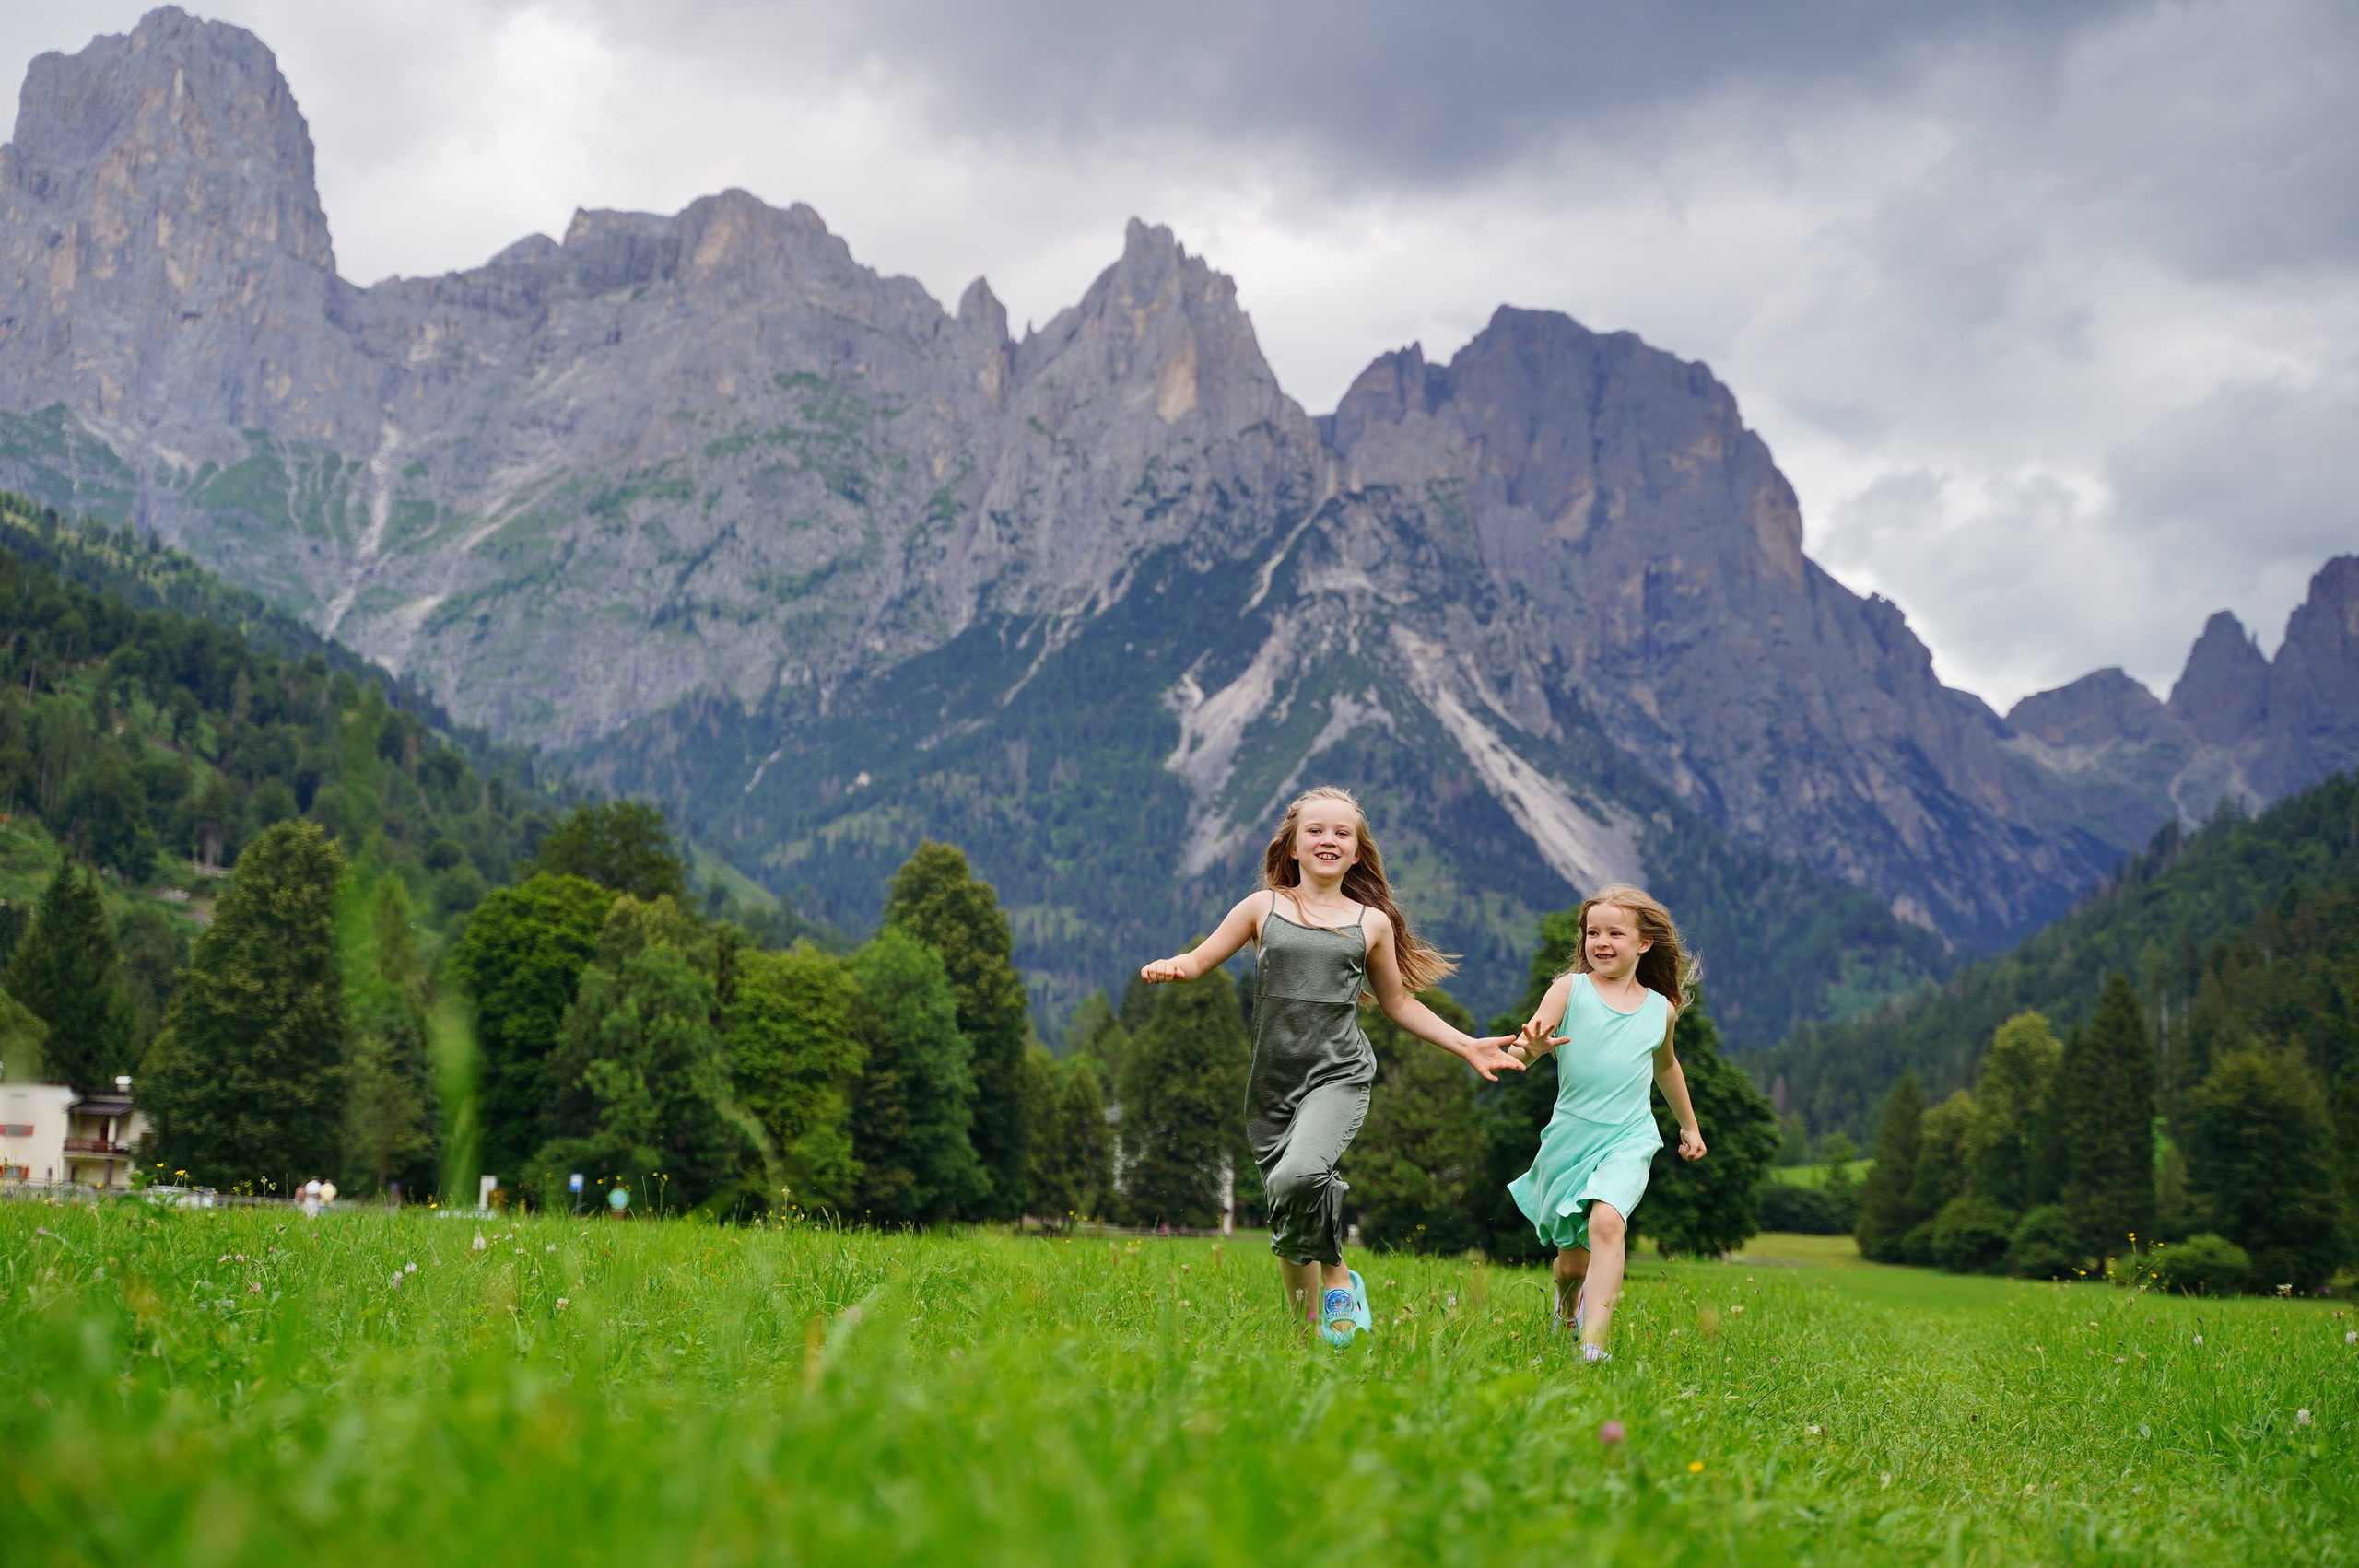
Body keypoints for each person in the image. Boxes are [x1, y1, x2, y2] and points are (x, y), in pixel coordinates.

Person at [1141, 787, 1522, 1345]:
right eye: (1315, 830)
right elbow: (1199, 960)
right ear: (1293, 846)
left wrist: (1465, 1045)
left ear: (1357, 852)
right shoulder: (1262, 908)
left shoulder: (1371, 923)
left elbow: (1398, 1003)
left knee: (1300, 1177)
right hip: (1272, 1083)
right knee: (1290, 1200)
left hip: (1336, 1074)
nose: (1328, 840)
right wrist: (1173, 967)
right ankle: (1307, 1334)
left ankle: (1339, 1276)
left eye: (1342, 833)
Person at [1506, 884, 1707, 1363]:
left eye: (1615, 932)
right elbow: (1523, 1049)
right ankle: (1567, 1302)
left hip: (1628, 1137)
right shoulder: (1568, 990)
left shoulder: (1661, 1009)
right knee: (1571, 1262)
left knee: (1607, 1223)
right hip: (1571, 1138)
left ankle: (1593, 1345)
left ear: (1642, 943)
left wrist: (1690, 1127)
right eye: (1593, 932)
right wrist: (1529, 1051)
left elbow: (1667, 1067)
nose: (1601, 941)